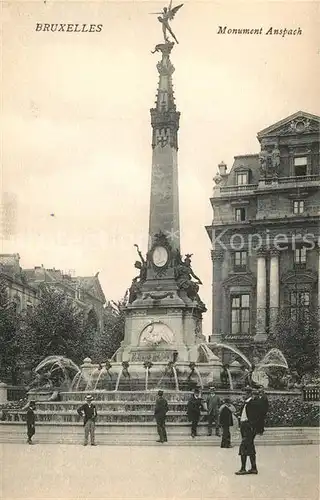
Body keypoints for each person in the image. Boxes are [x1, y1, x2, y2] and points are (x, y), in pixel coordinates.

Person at [235, 388, 262, 475]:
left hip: (248, 428)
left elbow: (257, 416)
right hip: (244, 426)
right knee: (250, 446)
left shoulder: (253, 403)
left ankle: (243, 468)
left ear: (249, 394)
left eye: (244, 394)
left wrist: (252, 426)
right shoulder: (246, 403)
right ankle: (254, 468)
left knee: (243, 446)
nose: (242, 396)